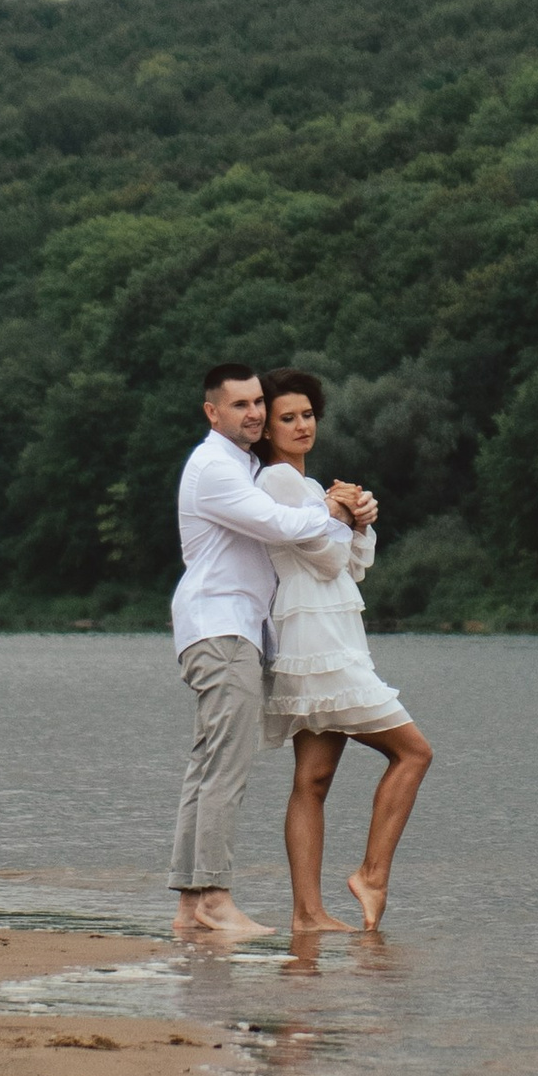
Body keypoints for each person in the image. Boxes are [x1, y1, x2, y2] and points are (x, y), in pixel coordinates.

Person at [168, 358, 360, 944]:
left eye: (258, 403)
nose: (254, 413)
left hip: (224, 627)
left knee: (208, 764)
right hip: (221, 628)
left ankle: (191, 907)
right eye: (240, 405)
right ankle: (216, 900)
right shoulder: (215, 469)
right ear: (212, 412)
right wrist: (330, 510)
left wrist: (347, 517)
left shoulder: (239, 464)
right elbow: (278, 524)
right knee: (225, 765)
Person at [259, 367, 435, 932]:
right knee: (413, 752)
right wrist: (343, 513)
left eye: (308, 414)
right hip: (317, 641)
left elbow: (354, 565)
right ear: (265, 429)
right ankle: (372, 874)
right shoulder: (279, 485)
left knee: (312, 780)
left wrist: (356, 518)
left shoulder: (310, 490)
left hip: (330, 637)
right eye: (287, 418)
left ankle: (307, 914)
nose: (301, 425)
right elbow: (328, 560)